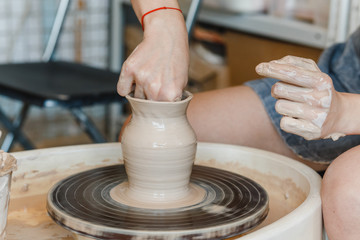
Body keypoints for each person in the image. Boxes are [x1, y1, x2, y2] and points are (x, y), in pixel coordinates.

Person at [117, 1, 360, 239]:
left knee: (350, 194)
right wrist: (164, 21)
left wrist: (347, 111)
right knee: (154, 133)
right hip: (352, 73)